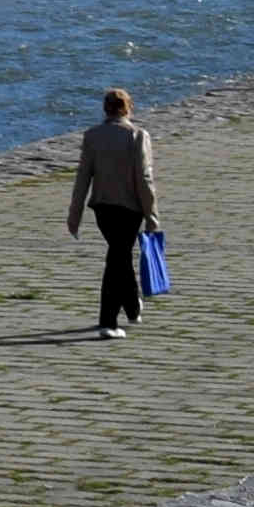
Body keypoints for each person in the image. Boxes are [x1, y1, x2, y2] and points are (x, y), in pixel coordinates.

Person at [67, 87, 158, 340]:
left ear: (105, 108)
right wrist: (152, 215)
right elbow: (144, 179)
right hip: (130, 209)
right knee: (117, 258)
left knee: (119, 255)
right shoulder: (138, 136)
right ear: (128, 108)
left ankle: (131, 305)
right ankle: (107, 321)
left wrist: (74, 215)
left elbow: (83, 177)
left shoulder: (92, 136)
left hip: (103, 209)